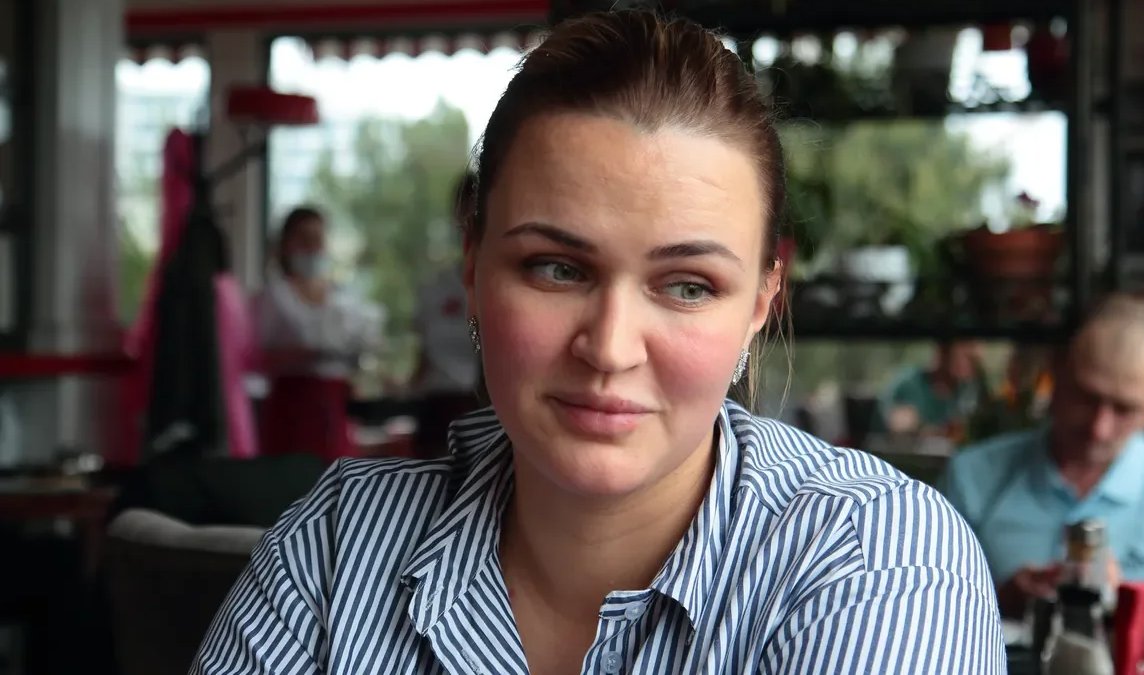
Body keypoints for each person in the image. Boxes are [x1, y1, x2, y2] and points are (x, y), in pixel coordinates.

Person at [193, 11, 1003, 673]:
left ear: (762, 301)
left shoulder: (878, 562)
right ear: (473, 264)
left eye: (687, 285)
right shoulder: (338, 549)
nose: (610, 348)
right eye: (556, 268)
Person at [940, 293, 1144, 624]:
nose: (1099, 428)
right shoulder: (972, 478)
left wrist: (1131, 612)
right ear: (1057, 367)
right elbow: (922, 614)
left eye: (1125, 409)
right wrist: (995, 601)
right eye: (1085, 397)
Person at [255, 206, 381, 462]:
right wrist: (307, 354)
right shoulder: (274, 295)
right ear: (286, 244)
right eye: (304, 238)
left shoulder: (342, 297)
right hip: (292, 407)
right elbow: (258, 358)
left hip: (334, 408)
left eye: (317, 239)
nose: (312, 246)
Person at [408, 171, 483, 456]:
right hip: (438, 410)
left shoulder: (509, 286)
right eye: (464, 210)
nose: (470, 220)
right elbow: (424, 358)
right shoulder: (436, 287)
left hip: (483, 407)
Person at [874, 340, 985, 439]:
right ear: (943, 352)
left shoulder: (967, 390)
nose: (972, 366)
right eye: (967, 357)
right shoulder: (908, 383)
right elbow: (894, 421)